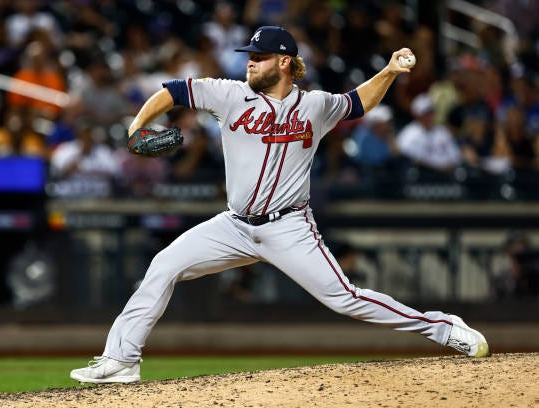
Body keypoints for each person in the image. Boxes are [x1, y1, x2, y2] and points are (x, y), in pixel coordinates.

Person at [71, 26, 489, 384]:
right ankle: (122, 360)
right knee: (164, 264)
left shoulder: (315, 105)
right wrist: (136, 127)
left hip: (289, 228)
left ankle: (442, 327)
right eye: (250, 56)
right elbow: (173, 92)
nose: (250, 63)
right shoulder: (229, 95)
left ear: (285, 62)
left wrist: (390, 71)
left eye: (260, 57)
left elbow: (359, 101)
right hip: (233, 225)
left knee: (346, 298)